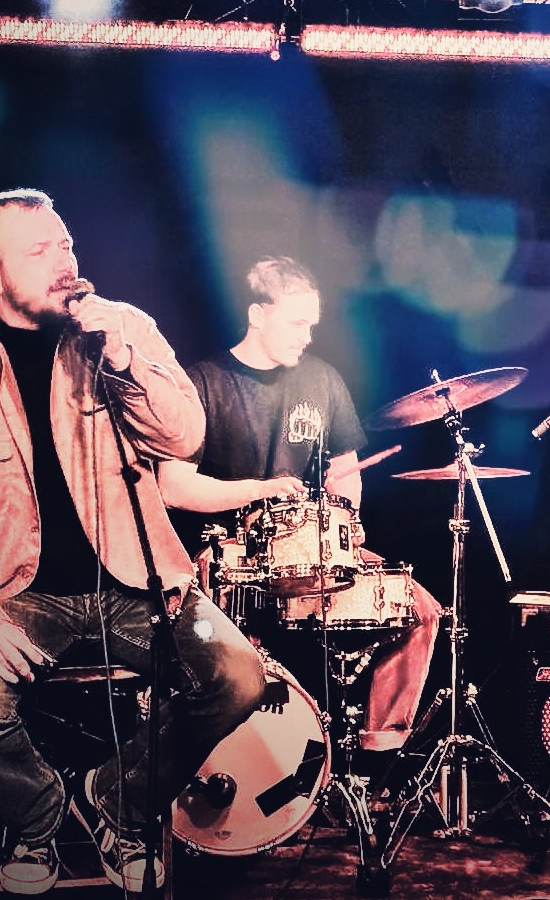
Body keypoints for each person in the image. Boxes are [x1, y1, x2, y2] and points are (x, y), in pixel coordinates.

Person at [0, 190, 266, 895]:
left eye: (65, 244)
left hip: (139, 584)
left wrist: (124, 360)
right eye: (38, 251)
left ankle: (115, 801)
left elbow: (183, 436)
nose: (63, 261)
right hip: (17, 595)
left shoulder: (123, 328)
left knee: (239, 678)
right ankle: (36, 818)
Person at [160, 255, 441, 757]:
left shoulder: (322, 380)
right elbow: (173, 486)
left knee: (421, 611)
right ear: (258, 314)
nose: (307, 336)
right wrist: (259, 490)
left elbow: (345, 470)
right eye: (296, 323)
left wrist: (346, 515)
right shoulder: (201, 382)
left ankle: (378, 753)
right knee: (225, 658)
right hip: (229, 558)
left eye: (312, 324)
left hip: (313, 550)